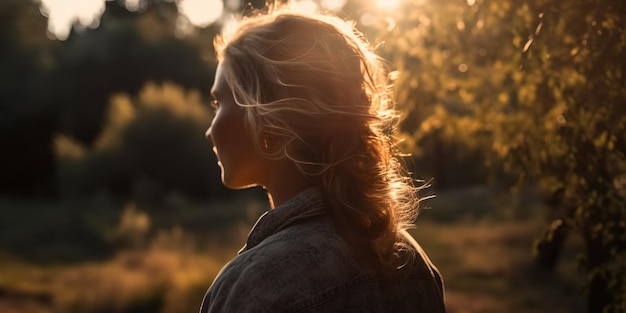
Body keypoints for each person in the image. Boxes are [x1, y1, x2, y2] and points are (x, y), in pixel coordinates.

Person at [201, 7, 445, 313]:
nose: (210, 132)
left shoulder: (251, 286)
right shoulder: (410, 260)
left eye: (218, 102)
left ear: (267, 115)